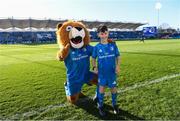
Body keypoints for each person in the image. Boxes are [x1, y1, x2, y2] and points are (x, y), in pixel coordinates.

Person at [92, 25, 121, 116]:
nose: (104, 35)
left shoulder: (113, 45)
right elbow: (93, 58)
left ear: (108, 33)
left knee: (113, 88)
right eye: (102, 34)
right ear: (98, 35)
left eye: (105, 33)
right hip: (102, 73)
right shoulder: (97, 47)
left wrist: (117, 66)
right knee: (101, 89)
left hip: (112, 72)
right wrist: (94, 67)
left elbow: (118, 56)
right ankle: (100, 106)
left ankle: (114, 105)